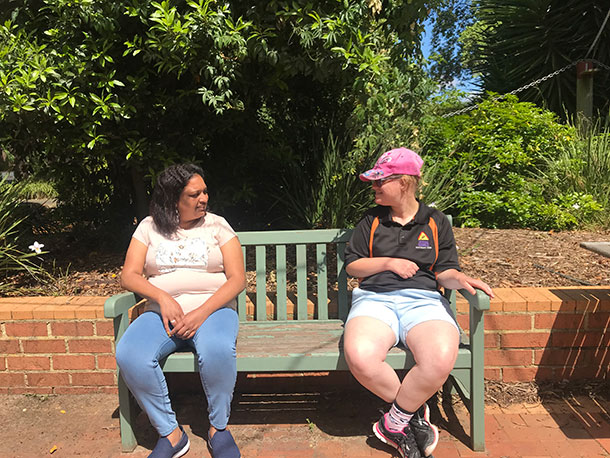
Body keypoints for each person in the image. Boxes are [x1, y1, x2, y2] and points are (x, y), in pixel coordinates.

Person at [343, 148, 494, 458]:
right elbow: (353, 267)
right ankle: (409, 414)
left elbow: (446, 271)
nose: (374, 188)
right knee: (360, 357)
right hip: (375, 300)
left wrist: (462, 281)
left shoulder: (435, 222)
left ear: (404, 182)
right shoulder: (370, 221)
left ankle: (394, 421)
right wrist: (388, 263)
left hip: (424, 301)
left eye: (379, 182)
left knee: (439, 358)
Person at [116, 163, 246, 458]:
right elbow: (130, 275)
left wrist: (201, 312)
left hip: (213, 310)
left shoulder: (217, 225)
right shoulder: (149, 227)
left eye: (205, 191)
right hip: (163, 313)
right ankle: (171, 435)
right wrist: (163, 297)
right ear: (173, 198)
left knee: (217, 350)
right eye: (194, 194)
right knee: (130, 354)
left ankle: (218, 428)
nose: (204, 198)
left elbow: (237, 278)